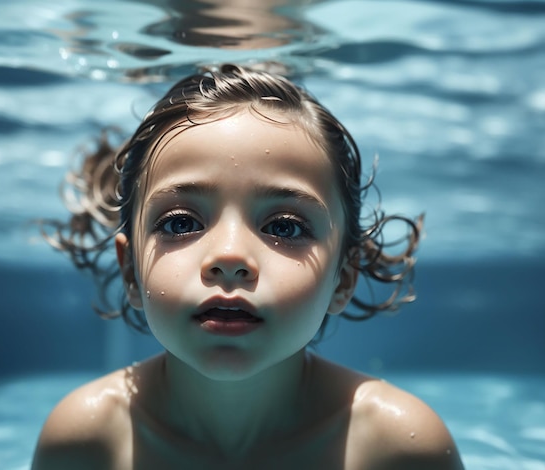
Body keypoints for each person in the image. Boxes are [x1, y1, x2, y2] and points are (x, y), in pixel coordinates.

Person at [32, 64, 464, 469]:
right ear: (131, 272)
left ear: (343, 278)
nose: (230, 256)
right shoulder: (87, 439)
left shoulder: (397, 447)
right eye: (181, 223)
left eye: (285, 227)